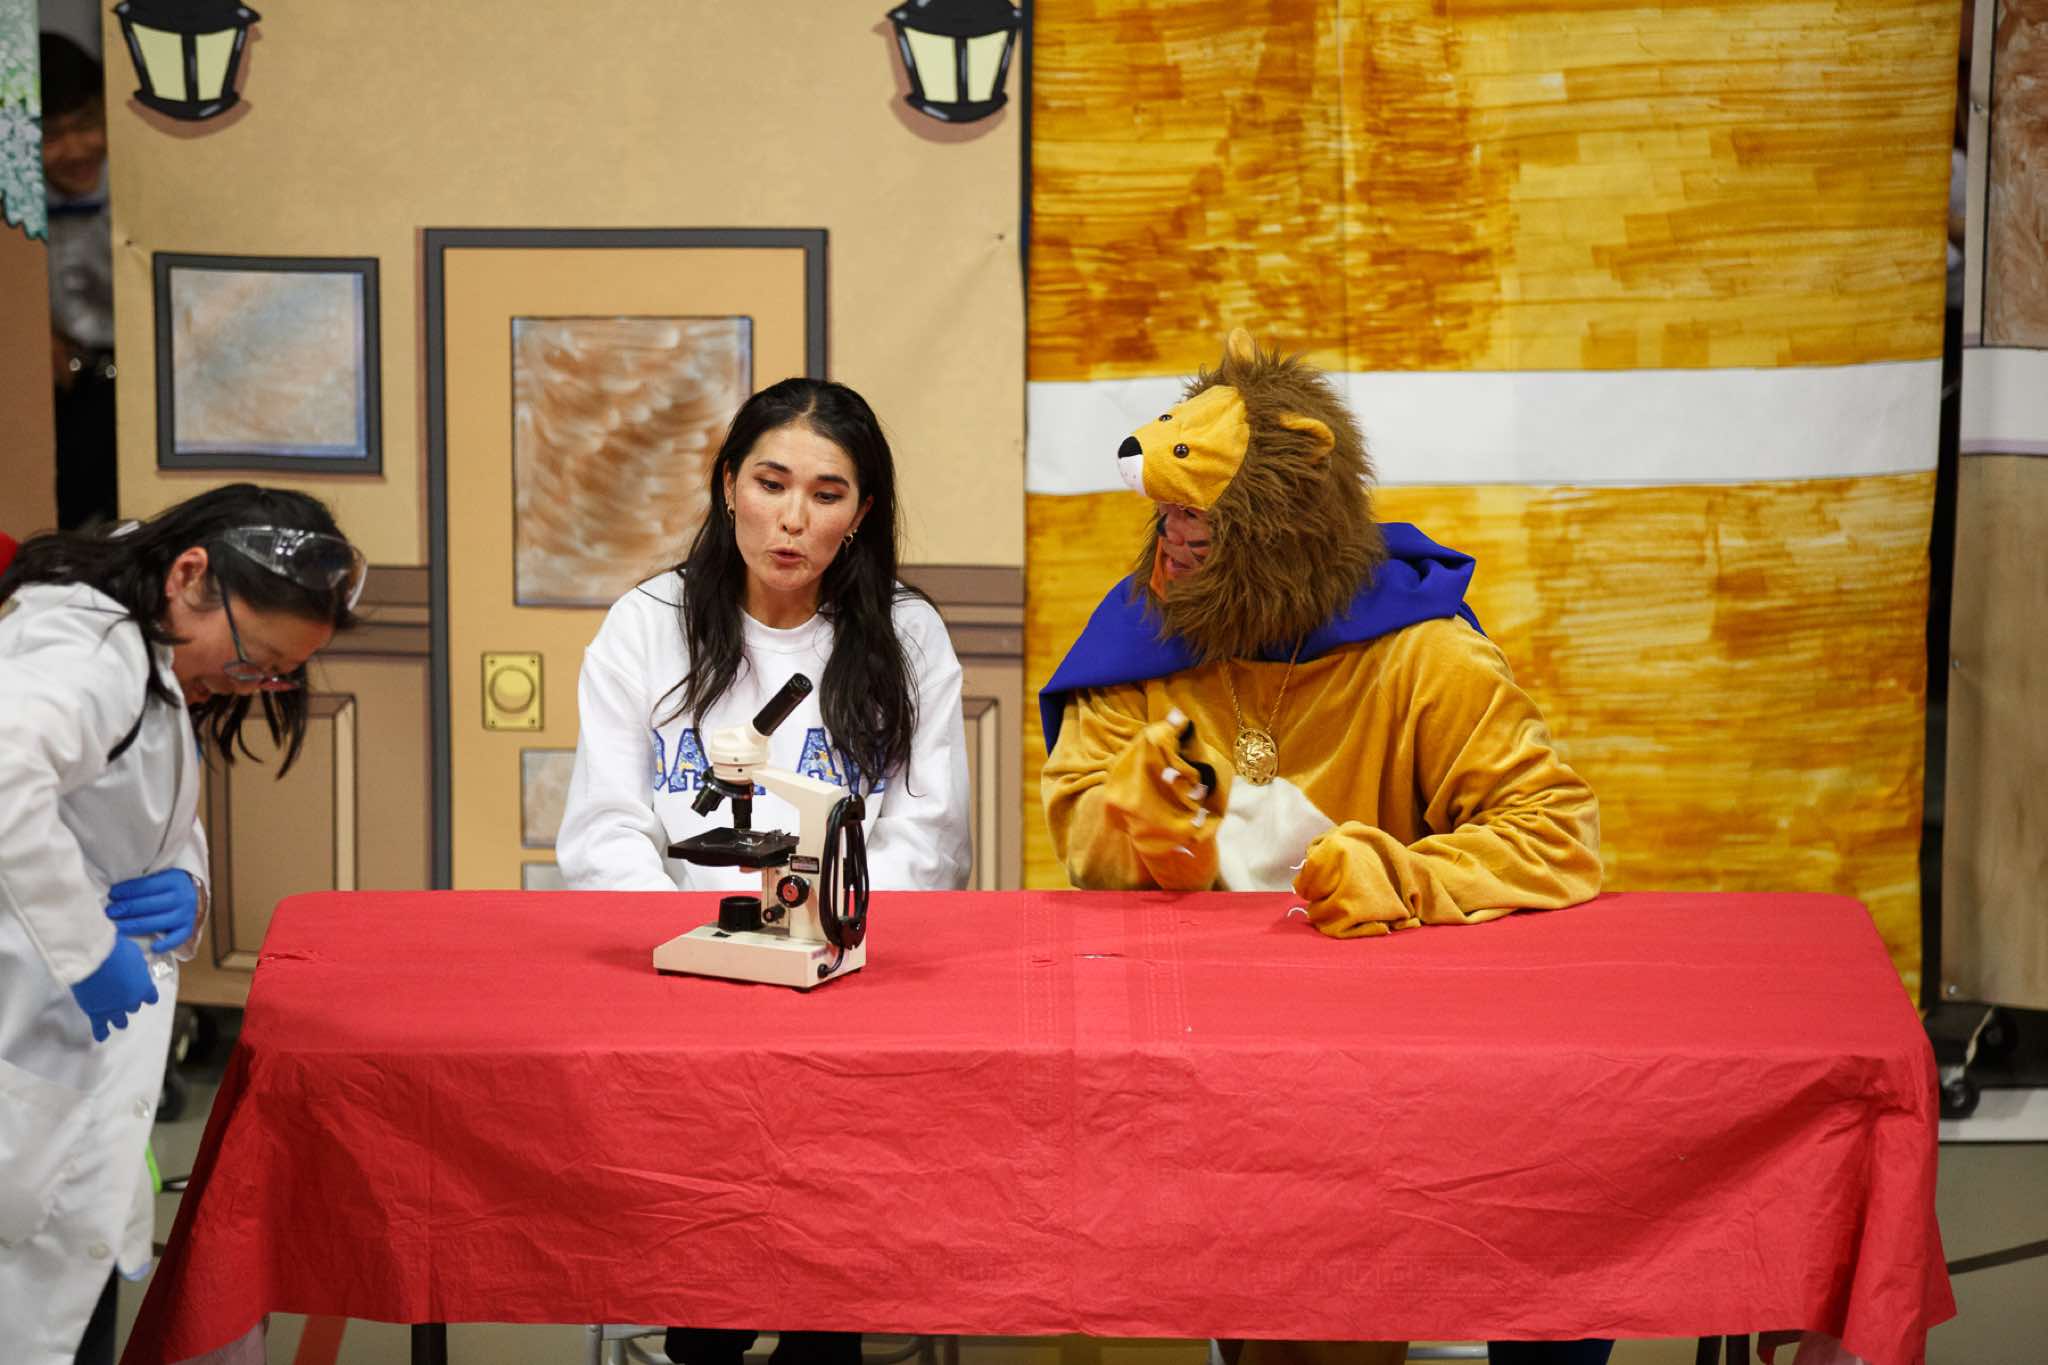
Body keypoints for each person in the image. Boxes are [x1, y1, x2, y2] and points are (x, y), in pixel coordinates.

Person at [1038, 331, 1606, 1365]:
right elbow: (1081, 830)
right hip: (1196, 1050)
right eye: (1166, 515)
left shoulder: (1421, 651)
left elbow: (1553, 830)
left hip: (1391, 1062)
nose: (1172, 542)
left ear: (1280, 522)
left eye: (1200, 519)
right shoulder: (1139, 636)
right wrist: (1139, 820)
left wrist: (1401, 874)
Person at [557, 376, 973, 1365]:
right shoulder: (646, 625)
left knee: (827, 1271)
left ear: (860, 513)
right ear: (728, 486)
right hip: (685, 996)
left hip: (847, 993)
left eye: (826, 494)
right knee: (707, 1271)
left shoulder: (907, 634)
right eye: (770, 483)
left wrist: (826, 948)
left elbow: (928, 837)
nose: (792, 519)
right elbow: (606, 829)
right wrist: (695, 953)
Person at [0, 484, 363, 1365]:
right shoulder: (87, 651)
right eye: (253, 661)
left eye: (275, 674)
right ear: (190, 574)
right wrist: (87, 952)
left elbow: (148, 806)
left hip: (72, 1083)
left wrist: (188, 886)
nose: (250, 686)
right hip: (30, 1035)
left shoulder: (151, 643)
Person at [40, 33, 119, 530]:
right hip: (63, 389)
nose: (75, 149)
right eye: (50, 134)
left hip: (137, 381)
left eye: (87, 123)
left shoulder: (142, 187)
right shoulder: (15, 206)